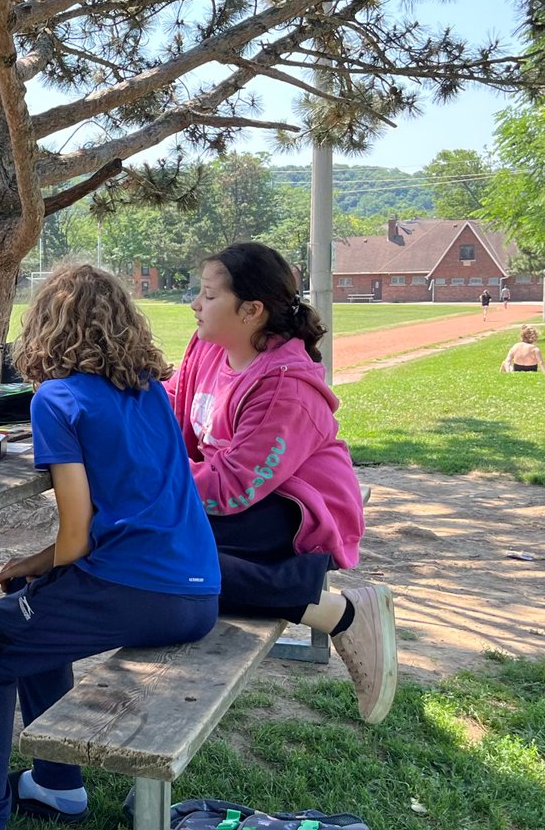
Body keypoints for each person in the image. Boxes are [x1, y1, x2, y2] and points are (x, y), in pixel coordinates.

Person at [0, 264, 220, 830]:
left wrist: (27, 561)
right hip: (199, 588)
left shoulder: (58, 399)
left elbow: (75, 538)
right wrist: (35, 575)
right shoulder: (151, 391)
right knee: (35, 605)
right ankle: (57, 783)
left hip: (134, 587)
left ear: (45, 326)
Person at [168, 241, 397, 725]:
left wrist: (149, 479)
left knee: (153, 550)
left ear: (251, 310)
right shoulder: (207, 349)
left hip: (295, 509)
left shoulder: (284, 387)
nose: (195, 304)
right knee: (143, 547)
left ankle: (342, 614)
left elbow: (232, 485)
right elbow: (170, 406)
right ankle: (326, 609)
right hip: (242, 499)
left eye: (208, 295)